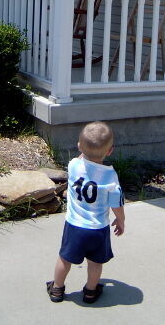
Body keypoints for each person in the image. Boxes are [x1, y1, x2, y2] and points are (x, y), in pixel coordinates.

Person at [46, 121, 125, 304]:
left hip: (74, 226)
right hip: (98, 228)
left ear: (79, 146)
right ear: (110, 151)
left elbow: (82, 157)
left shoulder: (73, 165)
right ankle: (90, 291)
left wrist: (84, 148)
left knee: (65, 259)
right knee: (95, 263)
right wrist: (120, 220)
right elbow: (116, 203)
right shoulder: (110, 177)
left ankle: (57, 289)